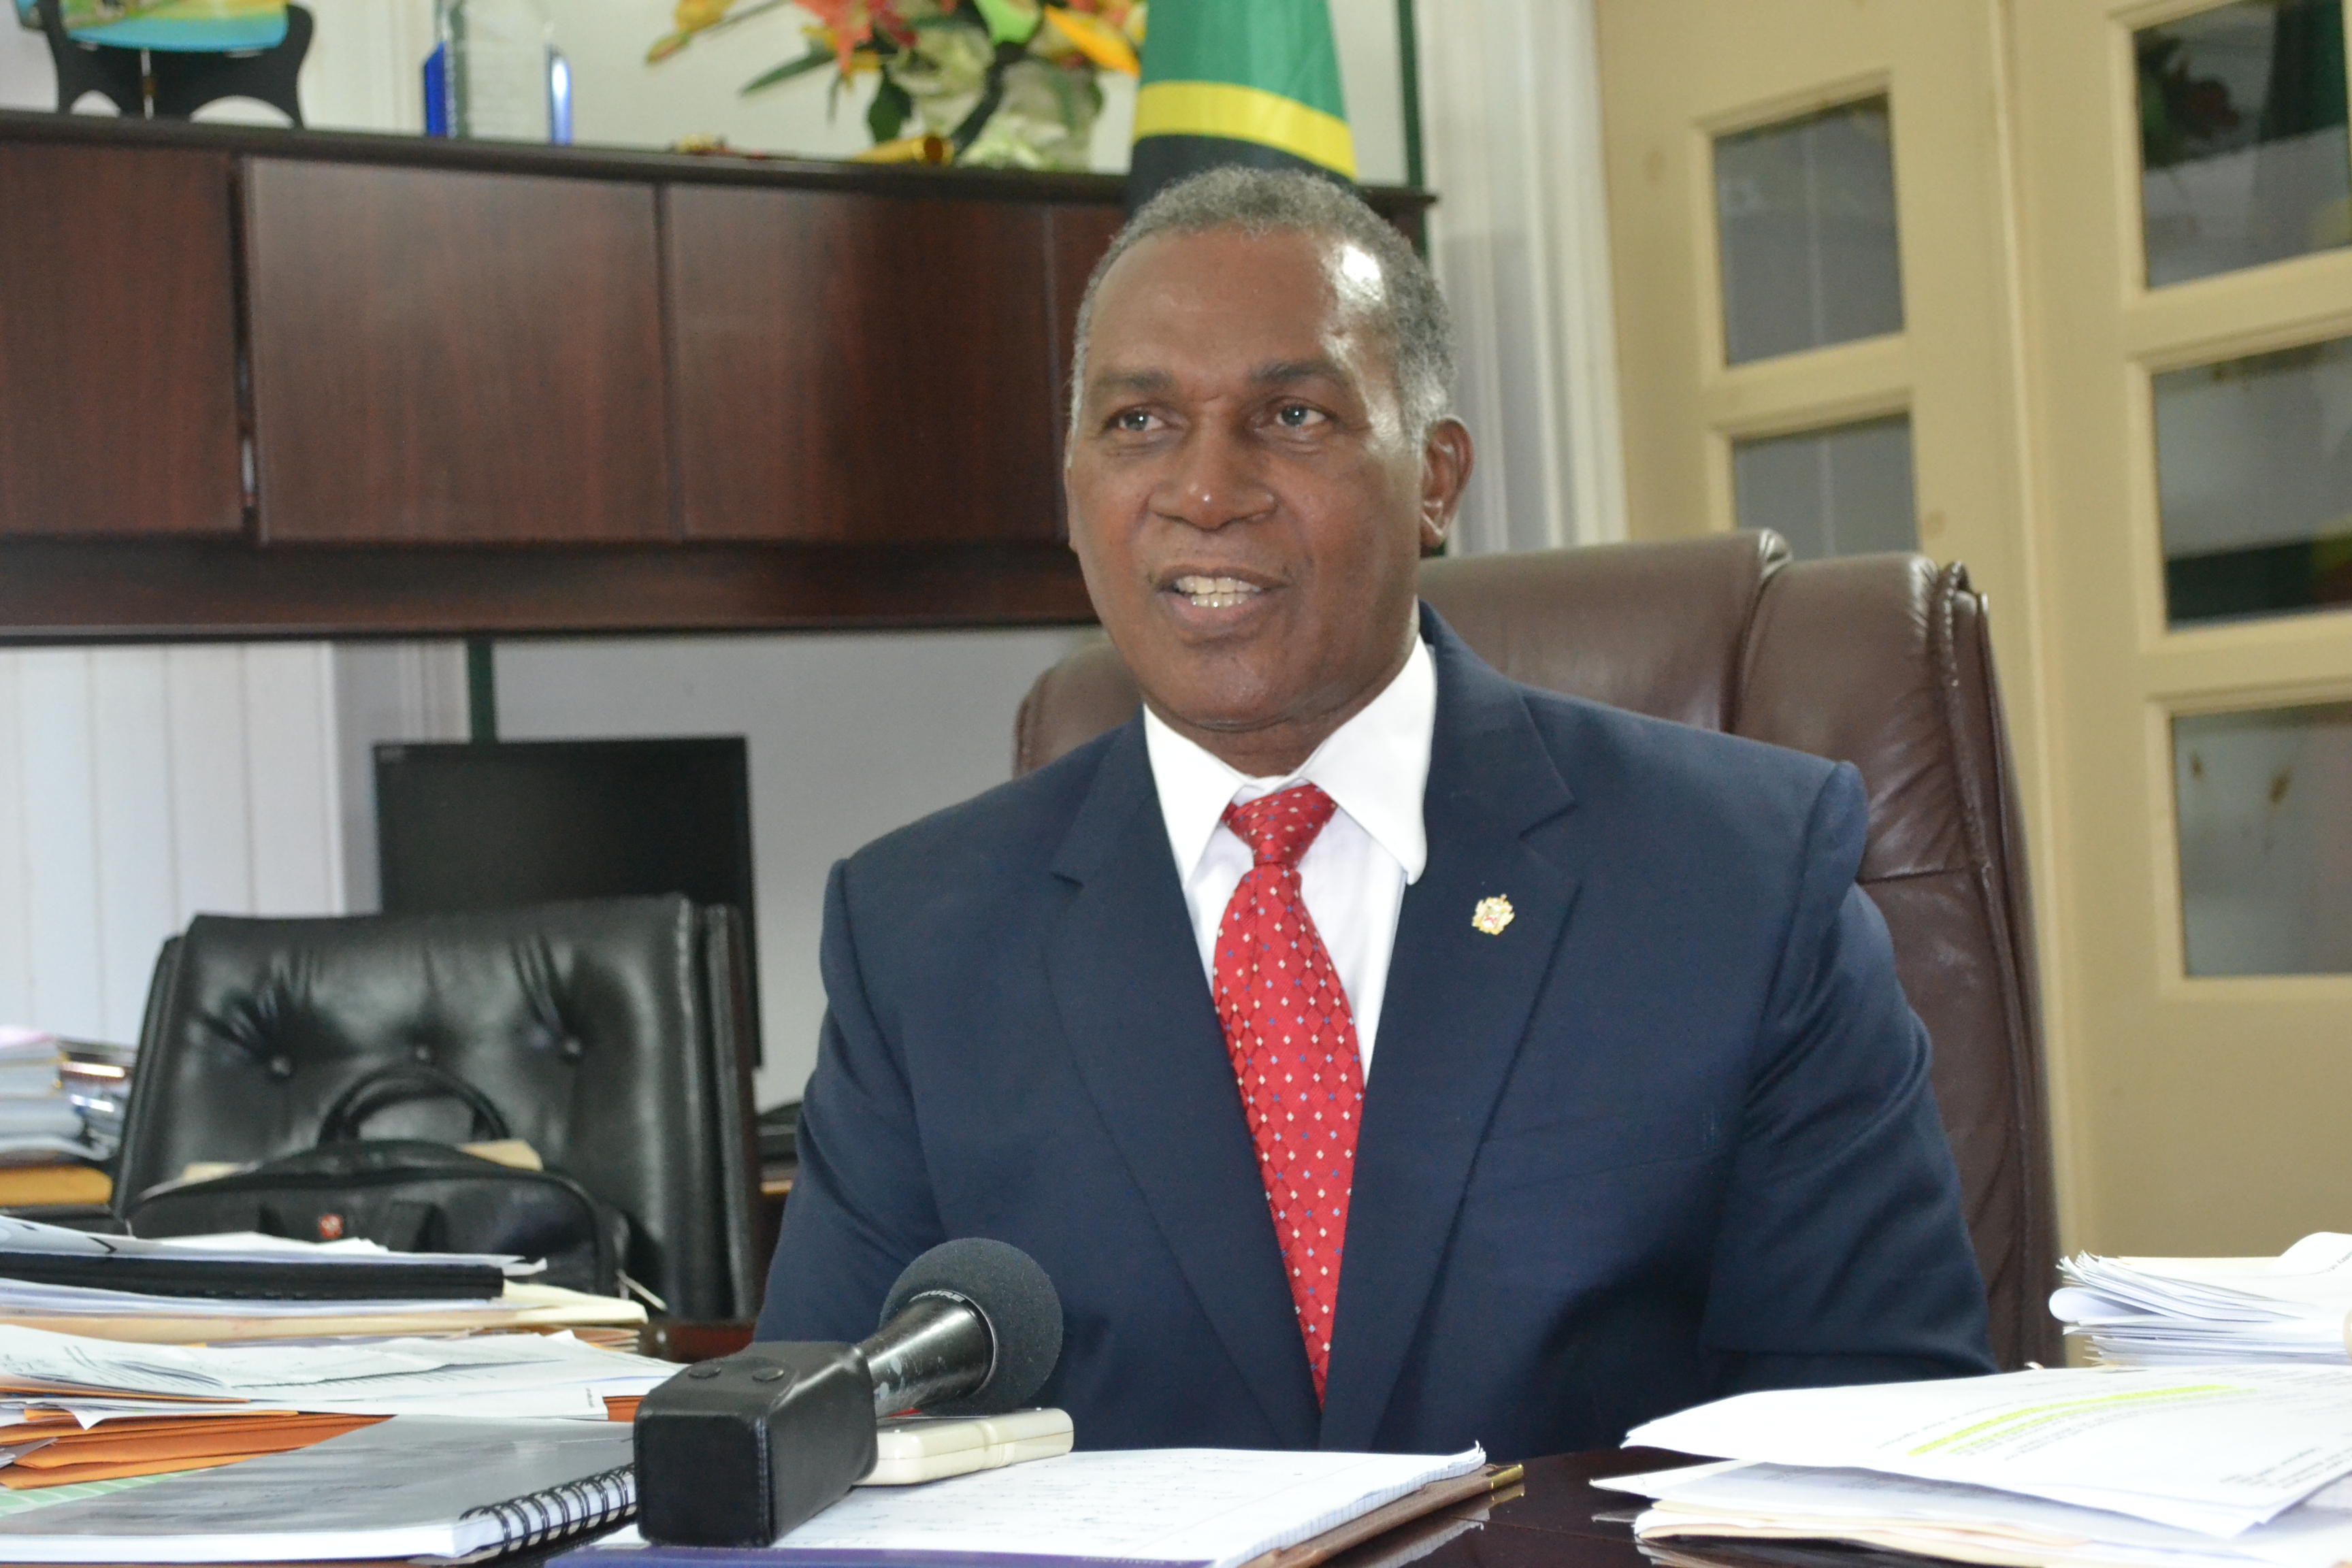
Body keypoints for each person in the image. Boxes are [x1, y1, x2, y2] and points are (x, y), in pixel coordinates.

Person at [755, 167, 1994, 1459]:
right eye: (1138, 422)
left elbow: (1882, 1448)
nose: (1206, 490)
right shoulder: (917, 936)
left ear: (1437, 478)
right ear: (1072, 491)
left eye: (1291, 414)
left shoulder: (1738, 877)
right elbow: (825, 1452)